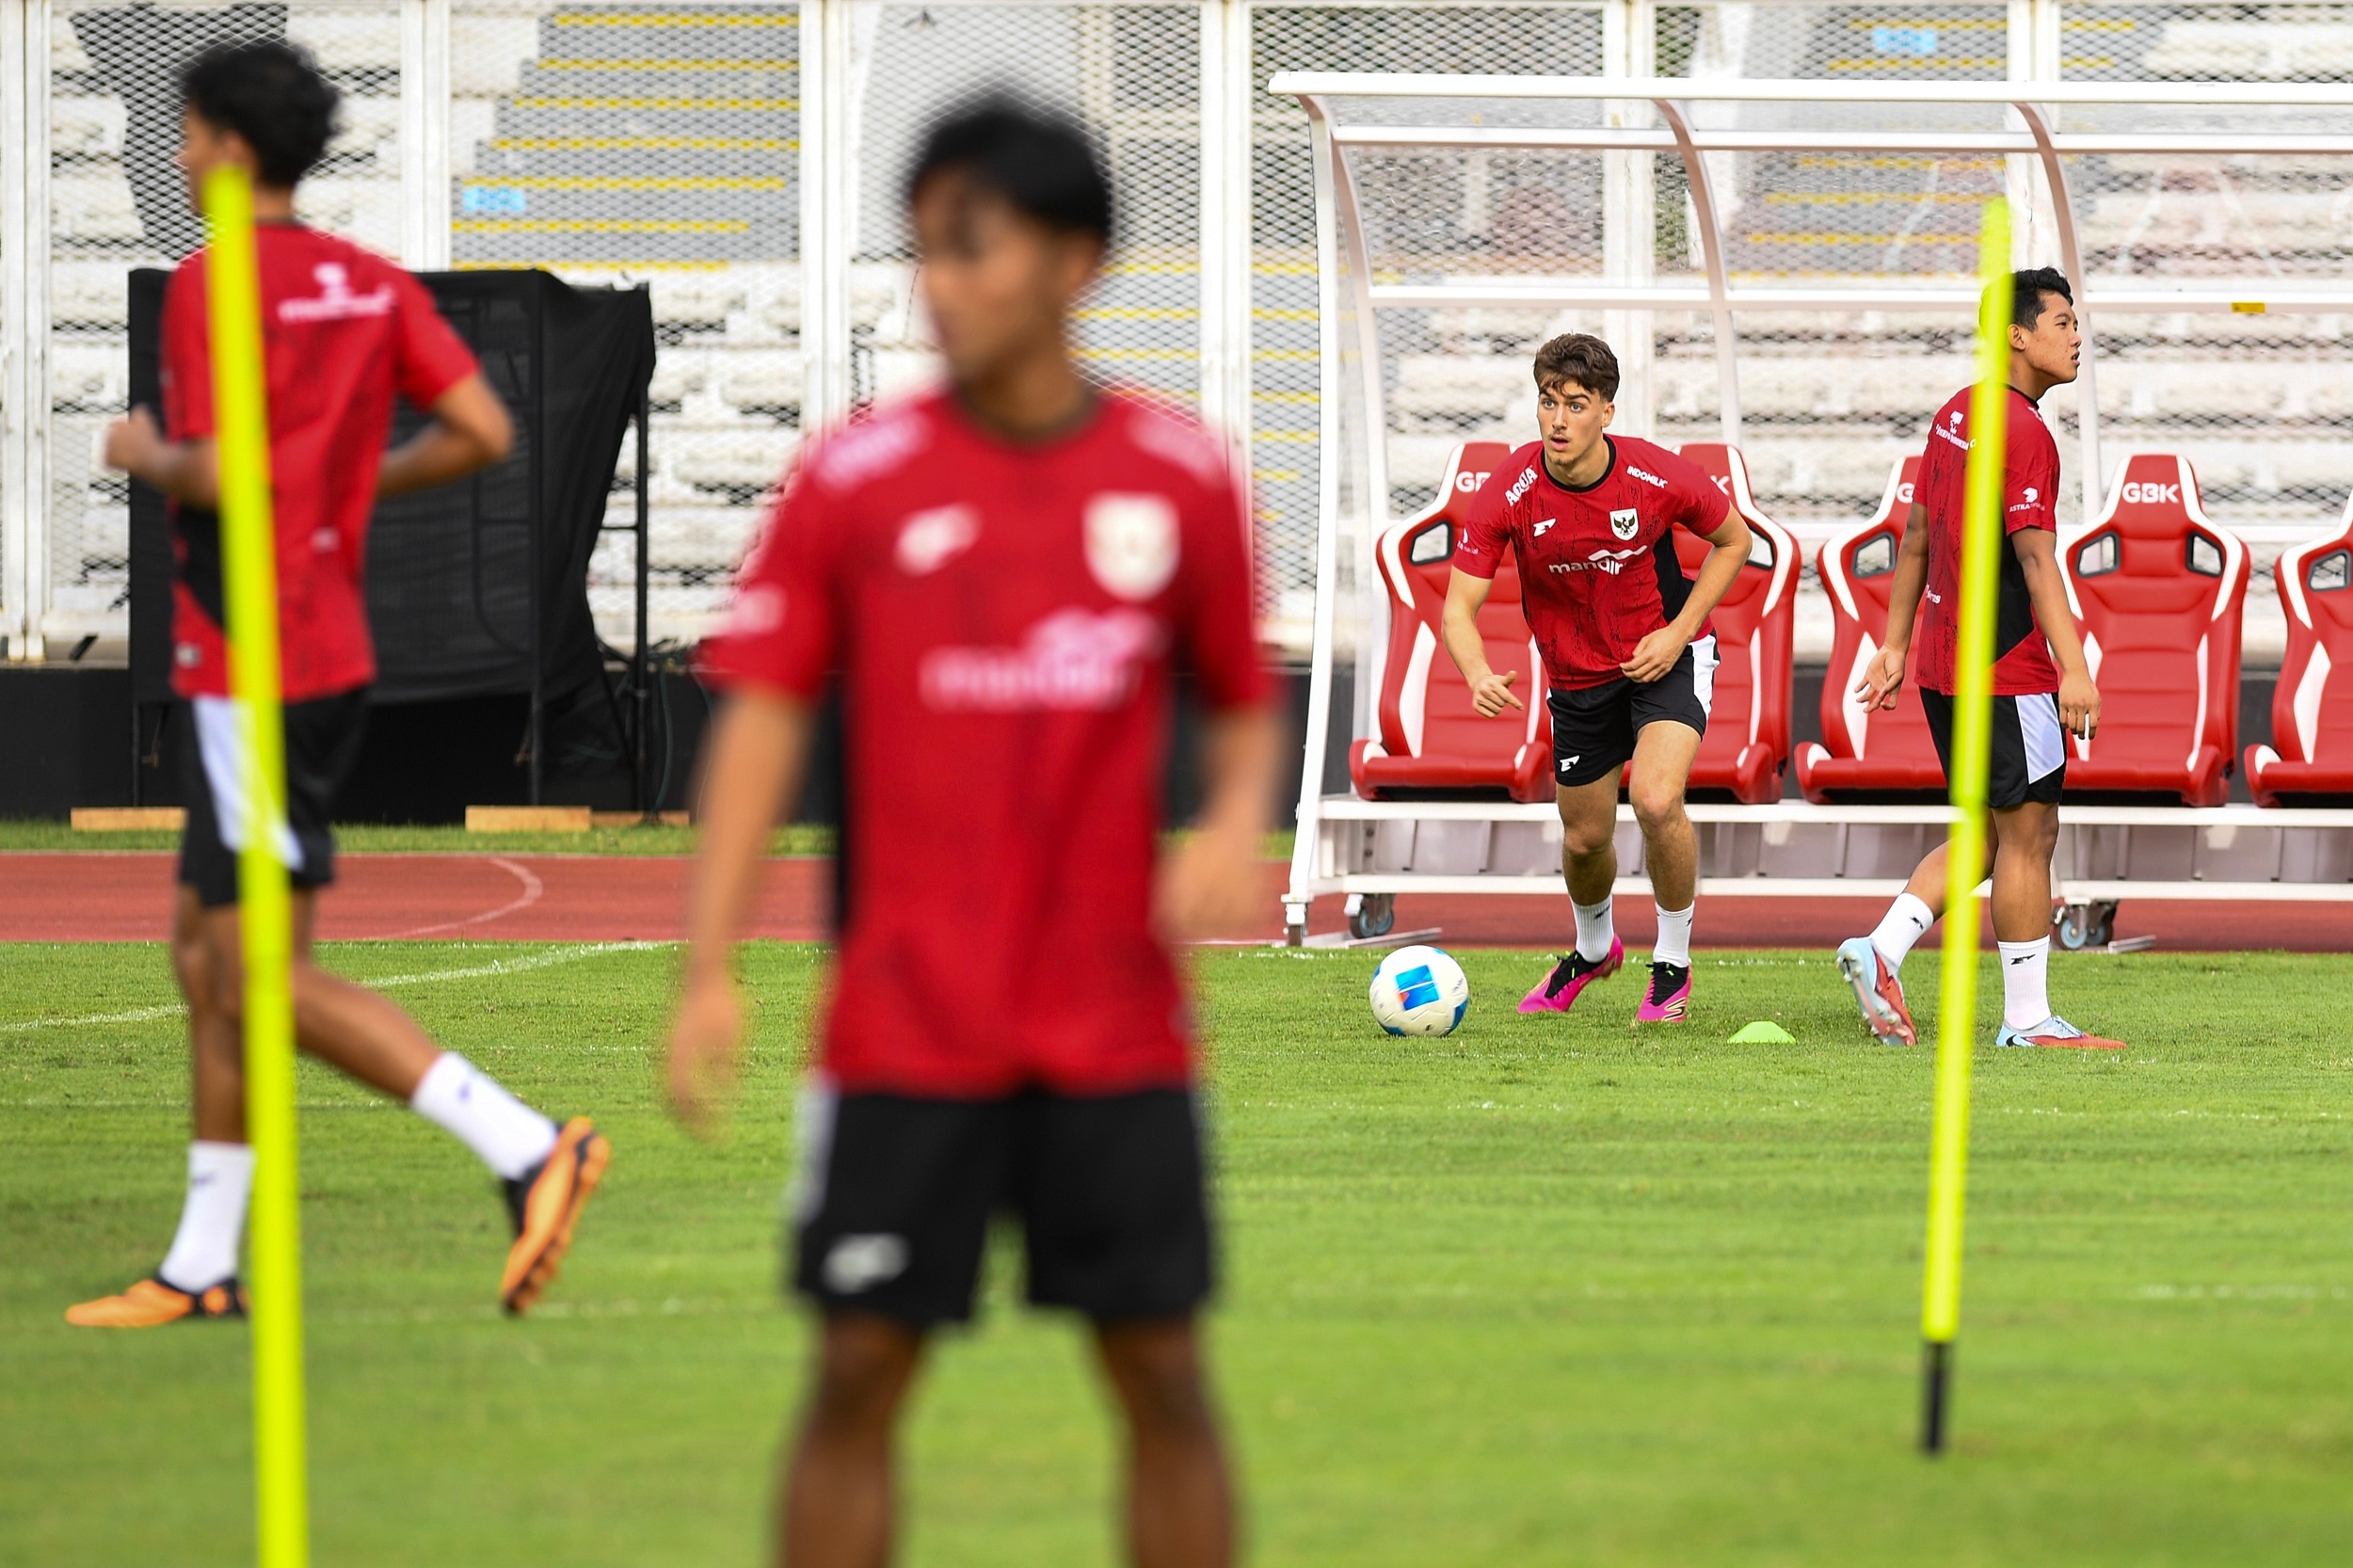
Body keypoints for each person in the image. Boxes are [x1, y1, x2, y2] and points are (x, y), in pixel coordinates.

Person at [664, 96, 1277, 1568]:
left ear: (1077, 260)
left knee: (1166, 1377)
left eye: (973, 247)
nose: (937, 282)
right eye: (925, 248)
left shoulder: (1178, 474)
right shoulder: (854, 480)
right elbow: (759, 719)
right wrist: (707, 966)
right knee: (856, 1374)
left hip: (1120, 1033)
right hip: (901, 1031)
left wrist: (1233, 823)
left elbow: (1246, 704)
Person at [70, 40, 606, 1329]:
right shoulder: (363, 285)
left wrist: (143, 446)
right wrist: (348, 482)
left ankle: (528, 1145)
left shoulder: (210, 286)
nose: (179, 148)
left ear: (231, 146)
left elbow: (216, 472)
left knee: (251, 974)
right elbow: (483, 431)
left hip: (250, 663)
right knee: (208, 959)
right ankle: (204, 1263)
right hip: (315, 658)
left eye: (188, 129)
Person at [1834, 268, 2125, 1052]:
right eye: (2061, 322)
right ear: (2017, 335)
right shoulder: (2024, 432)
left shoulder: (1955, 413)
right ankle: (2028, 1021)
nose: (2076, 337)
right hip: (2010, 669)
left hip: (1941, 665)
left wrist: (1894, 646)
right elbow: (2036, 562)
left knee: (1987, 832)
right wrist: (2074, 668)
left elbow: (1917, 539)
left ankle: (1881, 949)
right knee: (2030, 834)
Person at [1442, 334, 1753, 1023]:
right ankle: (1592, 949)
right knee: (1584, 838)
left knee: (1655, 797)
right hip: (1577, 676)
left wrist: (1677, 633)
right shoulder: (1511, 489)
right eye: (1548, 402)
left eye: (1574, 404)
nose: (1557, 419)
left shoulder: (1656, 475)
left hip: (1667, 657)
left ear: (1606, 412)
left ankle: (1671, 966)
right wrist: (1476, 672)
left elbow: (1737, 541)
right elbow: (1457, 608)